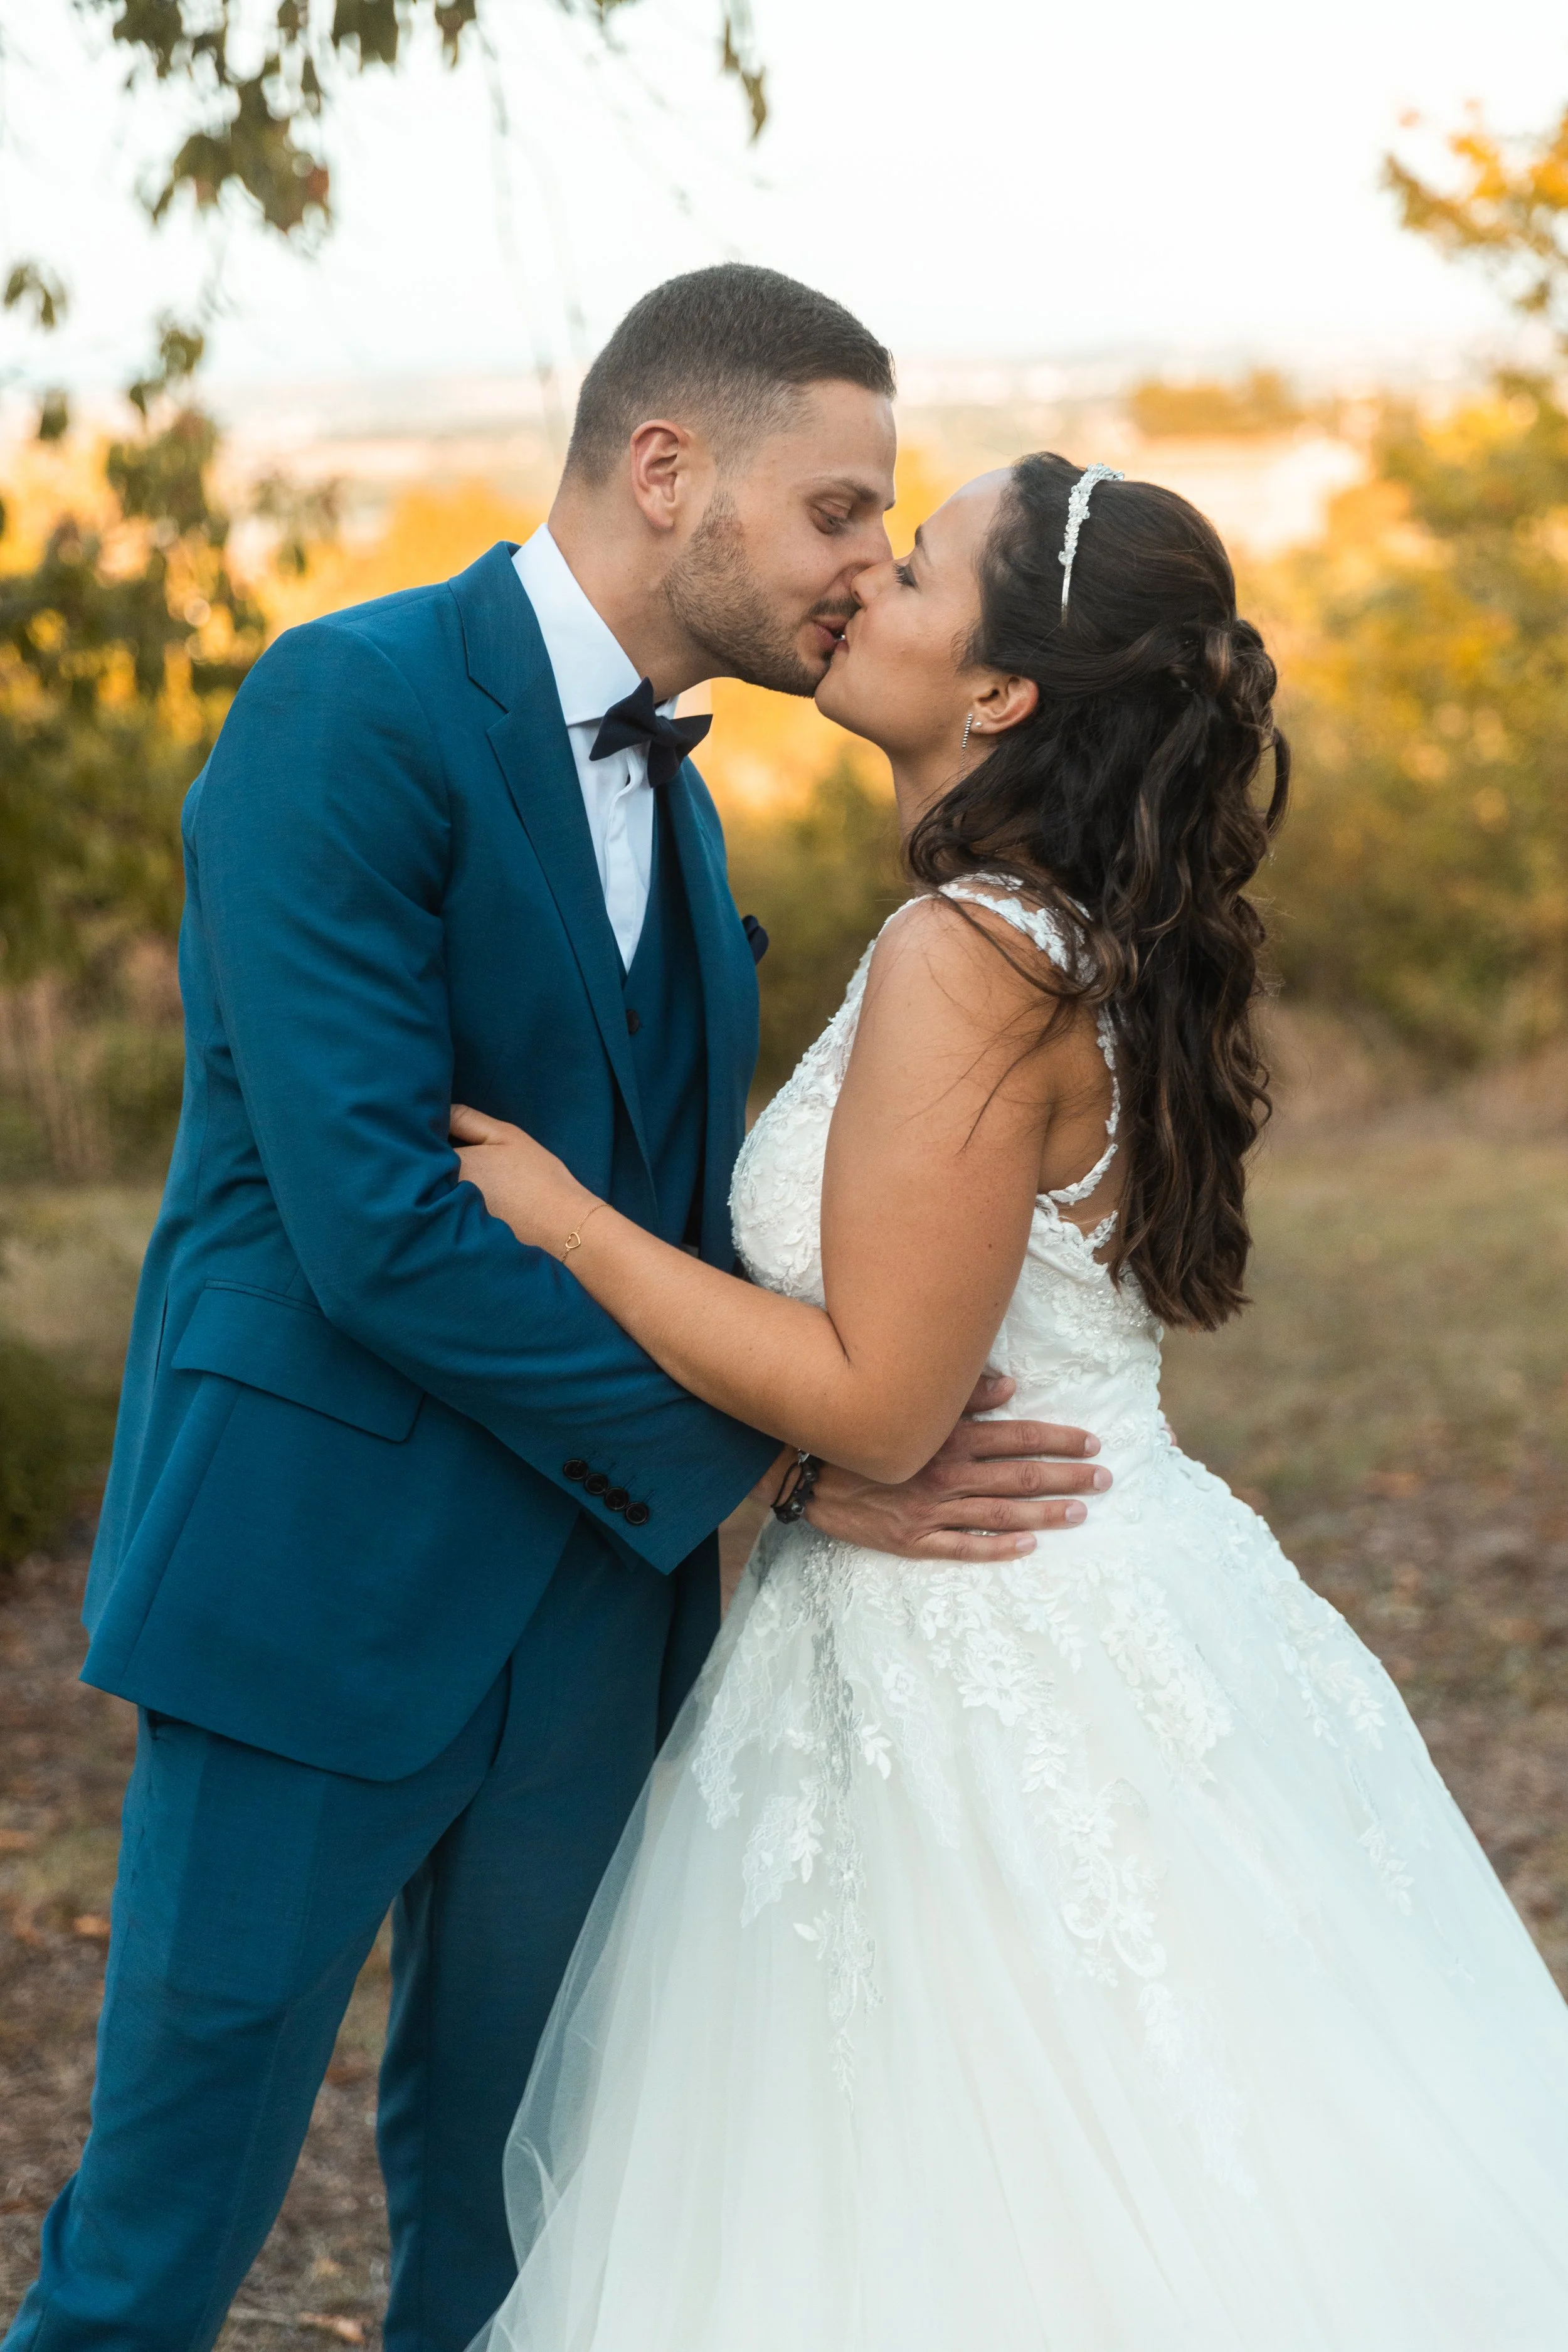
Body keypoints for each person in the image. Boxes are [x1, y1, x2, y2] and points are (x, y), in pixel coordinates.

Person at [1, 270, 1109, 2352]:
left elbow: (668, 1219)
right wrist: (784, 1453)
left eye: (887, 530)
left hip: (596, 1627)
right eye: (839, 511)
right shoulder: (346, 706)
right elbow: (380, 1229)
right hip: (309, 1586)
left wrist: (829, 1401)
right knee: (155, 2238)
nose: (870, 568)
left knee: (525, 2230)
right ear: (667, 468)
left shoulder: (684, 815)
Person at [451, 455, 1568, 2348]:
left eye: (914, 569)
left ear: (998, 693)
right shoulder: (1057, 931)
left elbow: (885, 1408)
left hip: (985, 1635)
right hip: (1093, 1584)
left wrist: (570, 1225)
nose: (862, 583)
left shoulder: (966, 953)